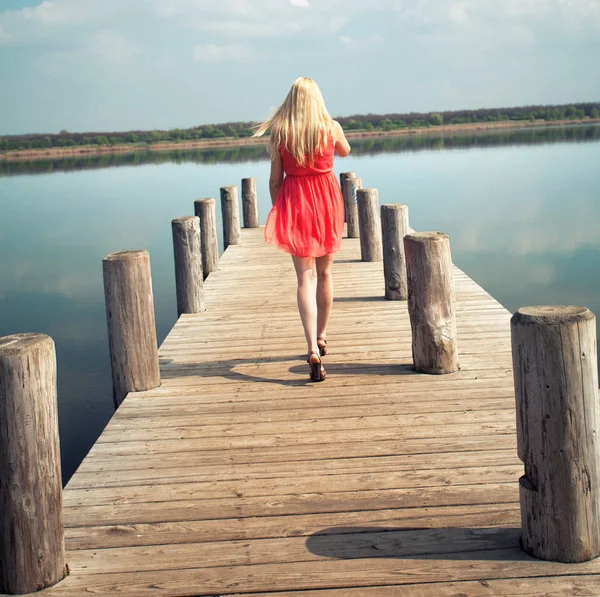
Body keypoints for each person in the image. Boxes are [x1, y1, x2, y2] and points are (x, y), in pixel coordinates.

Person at [254, 77, 351, 382]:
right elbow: (345, 151)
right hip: (326, 202)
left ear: (291, 101)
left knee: (303, 278)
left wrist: (278, 207)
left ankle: (310, 346)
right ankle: (322, 336)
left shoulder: (282, 134)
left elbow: (274, 180)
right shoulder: (331, 127)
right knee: (324, 274)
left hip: (295, 202)